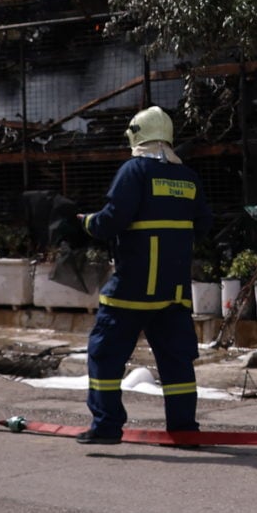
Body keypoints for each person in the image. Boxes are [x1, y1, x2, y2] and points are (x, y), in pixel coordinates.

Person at [76, 106, 210, 445]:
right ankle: (184, 430)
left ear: (136, 135)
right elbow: (205, 225)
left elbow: (111, 221)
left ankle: (106, 428)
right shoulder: (189, 178)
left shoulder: (133, 171)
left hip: (131, 289)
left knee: (105, 355)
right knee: (176, 363)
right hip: (174, 291)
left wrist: (84, 222)